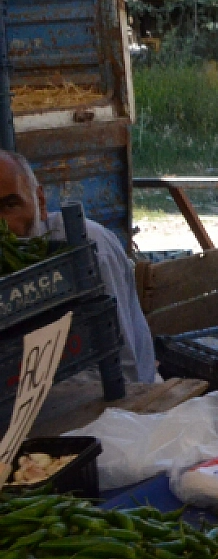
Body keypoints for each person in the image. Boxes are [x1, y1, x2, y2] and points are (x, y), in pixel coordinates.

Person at [0, 150, 156, 384]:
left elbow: (126, 368)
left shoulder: (89, 248)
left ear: (40, 202)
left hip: (106, 401)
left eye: (9, 205)